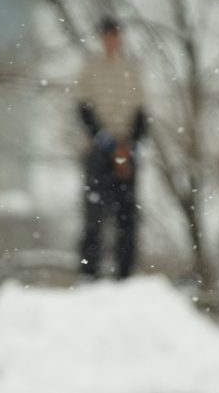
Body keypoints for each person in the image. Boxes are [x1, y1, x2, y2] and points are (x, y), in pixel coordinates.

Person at [74, 16, 147, 280]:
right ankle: (89, 273)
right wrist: (105, 140)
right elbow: (83, 110)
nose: (112, 40)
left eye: (115, 35)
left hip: (126, 152)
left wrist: (128, 147)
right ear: (101, 38)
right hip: (98, 151)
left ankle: (125, 274)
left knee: (127, 216)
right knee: (94, 215)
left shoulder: (132, 70)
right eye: (107, 35)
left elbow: (141, 114)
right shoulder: (90, 70)